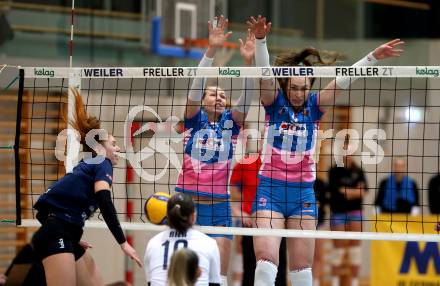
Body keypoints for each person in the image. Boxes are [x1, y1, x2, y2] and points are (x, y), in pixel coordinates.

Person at [247, 14, 403, 286]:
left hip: (303, 194)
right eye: (293, 87)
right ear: (286, 86)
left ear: (310, 88)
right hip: (269, 191)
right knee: (265, 264)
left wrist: (373, 57)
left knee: (302, 270)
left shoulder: (316, 107)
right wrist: (261, 41)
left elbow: (343, 81)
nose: (298, 93)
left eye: (303, 88)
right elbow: (264, 73)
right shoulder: (273, 102)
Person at [31, 89, 142, 286]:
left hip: (63, 234)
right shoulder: (102, 162)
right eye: (114, 144)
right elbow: (104, 201)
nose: (118, 149)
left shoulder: (90, 166)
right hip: (57, 235)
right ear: (99, 148)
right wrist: (123, 243)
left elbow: (42, 212)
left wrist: (71, 234)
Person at [175, 15, 256, 284]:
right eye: (213, 94)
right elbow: (196, 86)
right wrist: (211, 49)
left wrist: (248, 64)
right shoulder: (193, 118)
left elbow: (248, 98)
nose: (219, 97)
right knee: (186, 273)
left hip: (220, 207)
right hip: (187, 203)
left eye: (223, 95)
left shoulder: (232, 124)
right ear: (203, 101)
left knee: (217, 276)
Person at [230, 143, 287, 286]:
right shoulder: (247, 161)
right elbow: (228, 192)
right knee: (250, 269)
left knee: (278, 270)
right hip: (251, 224)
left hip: (277, 223)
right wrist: (239, 213)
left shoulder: (285, 162)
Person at [144, 193, 221, 286]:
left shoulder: (153, 243)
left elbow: (150, 283)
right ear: (193, 217)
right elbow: (214, 284)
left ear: (168, 216)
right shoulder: (209, 243)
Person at [328, 154, 367, 286]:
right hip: (338, 212)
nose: (349, 155)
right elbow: (334, 191)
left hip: (356, 212)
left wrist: (346, 191)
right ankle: (335, 282)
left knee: (355, 249)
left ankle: (355, 282)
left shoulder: (358, 171)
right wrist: (354, 192)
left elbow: (363, 192)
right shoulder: (334, 171)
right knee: (337, 250)